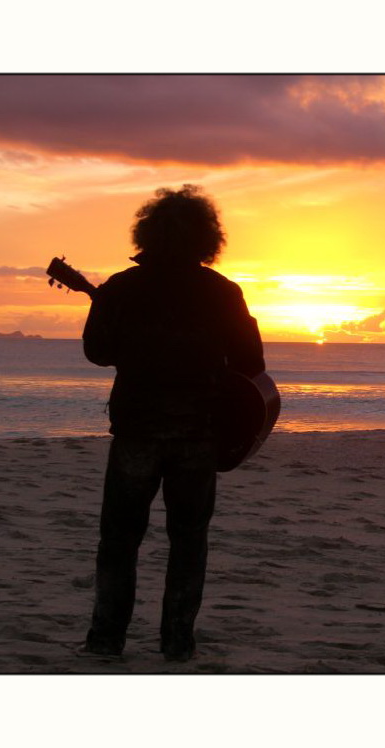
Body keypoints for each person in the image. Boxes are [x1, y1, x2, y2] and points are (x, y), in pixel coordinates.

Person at [81, 185, 265, 661]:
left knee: (119, 538)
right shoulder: (223, 292)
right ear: (208, 237)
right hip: (199, 434)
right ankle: (178, 643)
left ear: (147, 232)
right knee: (188, 539)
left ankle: (105, 640)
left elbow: (97, 353)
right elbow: (251, 361)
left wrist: (113, 320)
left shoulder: (122, 287)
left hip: (136, 430)